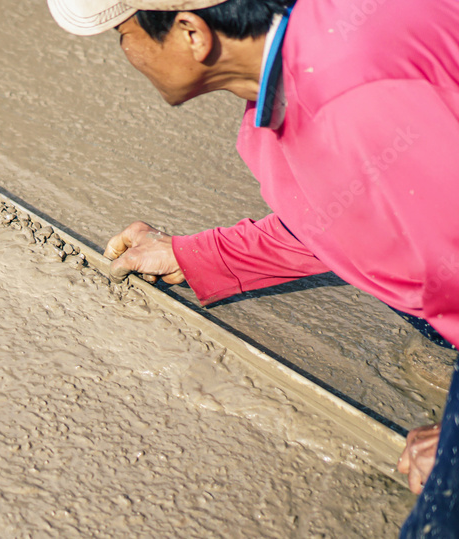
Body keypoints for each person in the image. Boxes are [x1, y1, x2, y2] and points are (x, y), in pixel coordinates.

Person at [47, 0, 459, 535]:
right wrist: (193, 255)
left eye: (123, 34)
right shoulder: (307, 59)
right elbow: (344, 215)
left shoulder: (356, 99)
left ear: (192, 33)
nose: (126, 52)